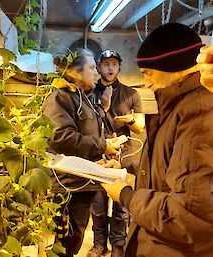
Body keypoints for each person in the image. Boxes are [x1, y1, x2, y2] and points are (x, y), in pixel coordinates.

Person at [101, 23, 213, 257]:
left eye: (148, 73)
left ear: (173, 67)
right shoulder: (177, 106)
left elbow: (187, 215)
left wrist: (126, 195)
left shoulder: (198, 113)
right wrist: (127, 178)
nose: (148, 83)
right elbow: (171, 181)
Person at [43, 48, 120, 257]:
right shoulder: (60, 99)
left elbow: (86, 134)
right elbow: (61, 137)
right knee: (65, 243)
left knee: (75, 239)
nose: (97, 73)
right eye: (92, 68)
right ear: (75, 72)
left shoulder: (84, 99)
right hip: (68, 186)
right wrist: (102, 145)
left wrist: (105, 147)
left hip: (83, 182)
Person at [88, 50, 144, 257]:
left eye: (114, 64)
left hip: (124, 155)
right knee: (98, 204)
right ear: (98, 67)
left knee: (122, 204)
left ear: (119, 67)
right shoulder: (90, 92)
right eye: (106, 64)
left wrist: (129, 119)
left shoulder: (131, 94)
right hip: (98, 153)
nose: (110, 68)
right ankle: (99, 243)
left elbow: (140, 127)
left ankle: (119, 245)